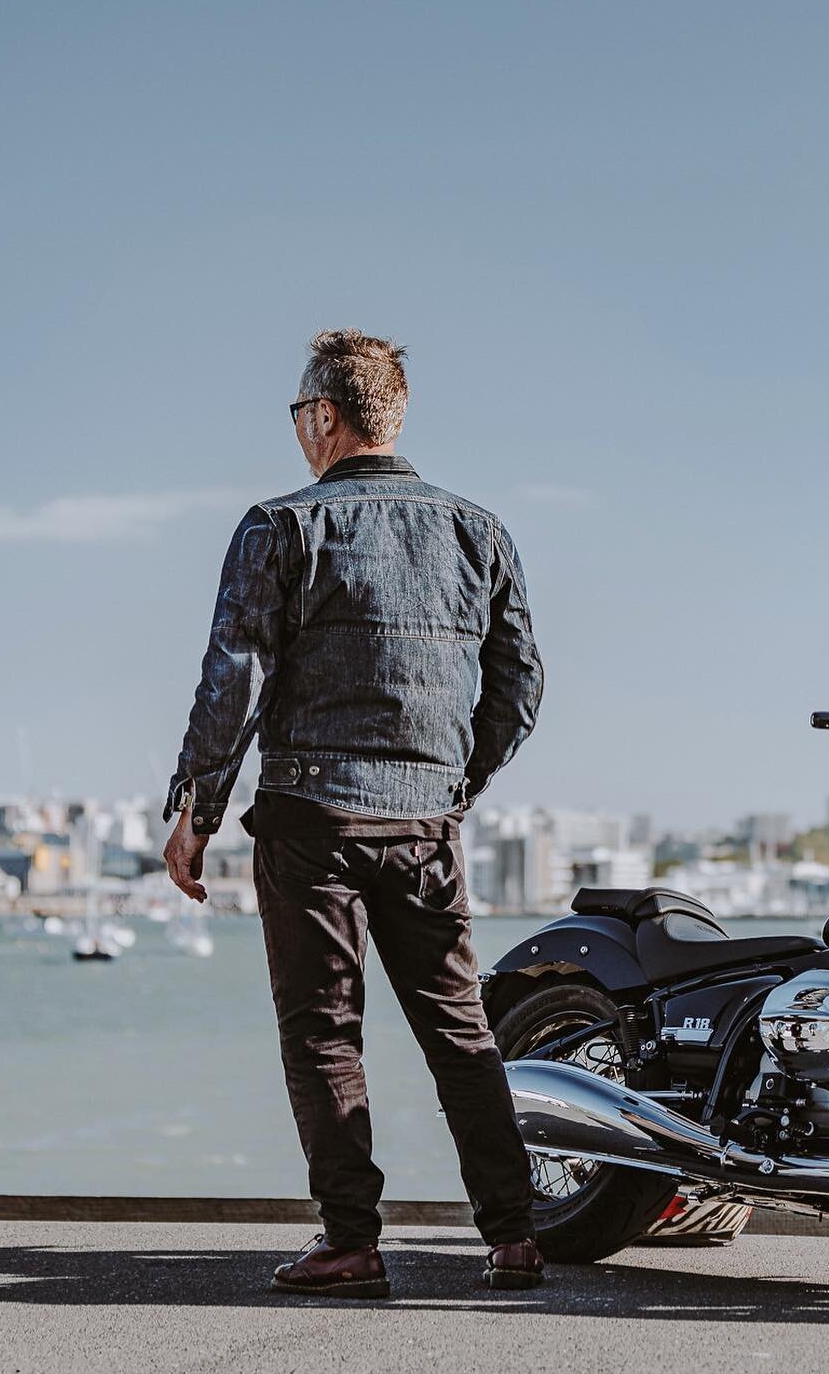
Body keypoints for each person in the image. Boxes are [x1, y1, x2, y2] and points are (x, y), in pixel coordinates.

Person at [161, 328, 545, 1296]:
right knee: (461, 1030)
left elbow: (234, 679)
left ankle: (352, 1240)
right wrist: (453, 784)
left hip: (309, 819)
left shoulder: (280, 527)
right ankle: (513, 1237)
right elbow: (520, 687)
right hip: (425, 826)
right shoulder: (480, 531)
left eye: (299, 414)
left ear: (325, 416)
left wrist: (196, 809)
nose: (297, 430)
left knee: (325, 1033)